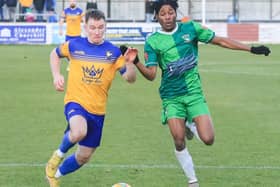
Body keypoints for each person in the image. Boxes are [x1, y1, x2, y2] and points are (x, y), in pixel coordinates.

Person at [130, 0, 271, 187]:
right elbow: (151, 75)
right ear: (156, 16)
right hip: (171, 97)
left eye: (170, 12)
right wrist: (137, 61)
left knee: (208, 139)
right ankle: (192, 180)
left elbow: (220, 40)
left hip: (194, 93)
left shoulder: (190, 28)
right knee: (179, 141)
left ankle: (190, 123)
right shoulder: (153, 41)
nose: (167, 17)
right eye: (162, 14)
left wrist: (251, 49)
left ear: (176, 12)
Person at [45, 9, 138, 187]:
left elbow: (130, 79)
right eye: (93, 27)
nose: (97, 31)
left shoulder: (113, 52)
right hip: (76, 102)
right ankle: (56, 156)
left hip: (98, 110)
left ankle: (54, 174)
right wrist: (56, 75)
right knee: (79, 131)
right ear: (85, 27)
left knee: (84, 156)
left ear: (105, 27)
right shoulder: (74, 45)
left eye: (100, 27)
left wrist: (129, 63)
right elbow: (54, 54)